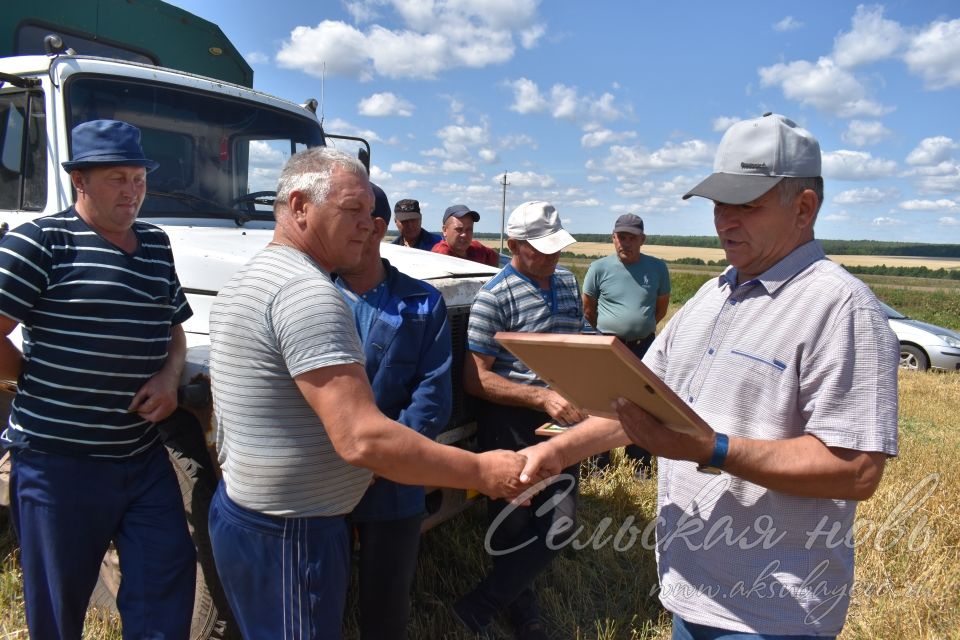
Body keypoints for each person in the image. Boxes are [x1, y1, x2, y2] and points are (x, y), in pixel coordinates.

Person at [519, 113, 899, 639]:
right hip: (690, 592)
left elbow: (856, 469)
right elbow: (637, 404)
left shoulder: (842, 308)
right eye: (720, 203)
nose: (724, 221)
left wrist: (709, 449)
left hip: (773, 613)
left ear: (804, 208)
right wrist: (551, 454)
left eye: (747, 205)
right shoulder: (714, 294)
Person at [207, 147, 529, 639]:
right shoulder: (308, 293)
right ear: (299, 207)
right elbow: (361, 440)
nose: (368, 224)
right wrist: (484, 470)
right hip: (294, 530)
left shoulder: (252, 276)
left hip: (250, 513)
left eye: (371, 214)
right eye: (351, 210)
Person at [0, 119, 196, 638]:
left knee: (166, 577)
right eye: (117, 178)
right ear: (80, 181)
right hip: (59, 463)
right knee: (58, 604)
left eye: (139, 178)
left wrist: (170, 378)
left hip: (141, 455)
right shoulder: (40, 242)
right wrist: (30, 380)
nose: (132, 191)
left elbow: (175, 330)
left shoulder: (155, 243)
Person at [455, 201, 585, 640]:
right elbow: (475, 377)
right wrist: (540, 396)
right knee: (513, 525)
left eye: (557, 248)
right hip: (511, 424)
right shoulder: (494, 295)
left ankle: (480, 604)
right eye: (541, 250)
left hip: (561, 421)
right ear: (512, 245)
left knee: (558, 522)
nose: (553, 258)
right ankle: (522, 610)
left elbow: (580, 343)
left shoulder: (566, 282)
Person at [334, 184, 452, 640]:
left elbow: (431, 395)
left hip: (396, 475)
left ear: (375, 228)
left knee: (386, 600)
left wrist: (383, 458)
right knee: (320, 589)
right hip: (327, 473)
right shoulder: (314, 296)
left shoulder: (423, 304)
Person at [582, 213, 670, 474]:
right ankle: (599, 463)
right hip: (608, 345)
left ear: (642, 239)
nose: (625, 243)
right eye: (621, 237)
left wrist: (638, 328)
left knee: (643, 403)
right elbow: (589, 311)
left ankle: (639, 462)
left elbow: (660, 309)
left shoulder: (657, 268)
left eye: (631, 237)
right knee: (603, 403)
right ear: (613, 238)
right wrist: (609, 336)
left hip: (644, 346)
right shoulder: (599, 268)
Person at [430, 204, 500, 266]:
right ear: (445, 230)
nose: (464, 235)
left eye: (469, 230)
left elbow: (496, 256)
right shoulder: (441, 255)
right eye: (459, 229)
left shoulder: (476, 248)